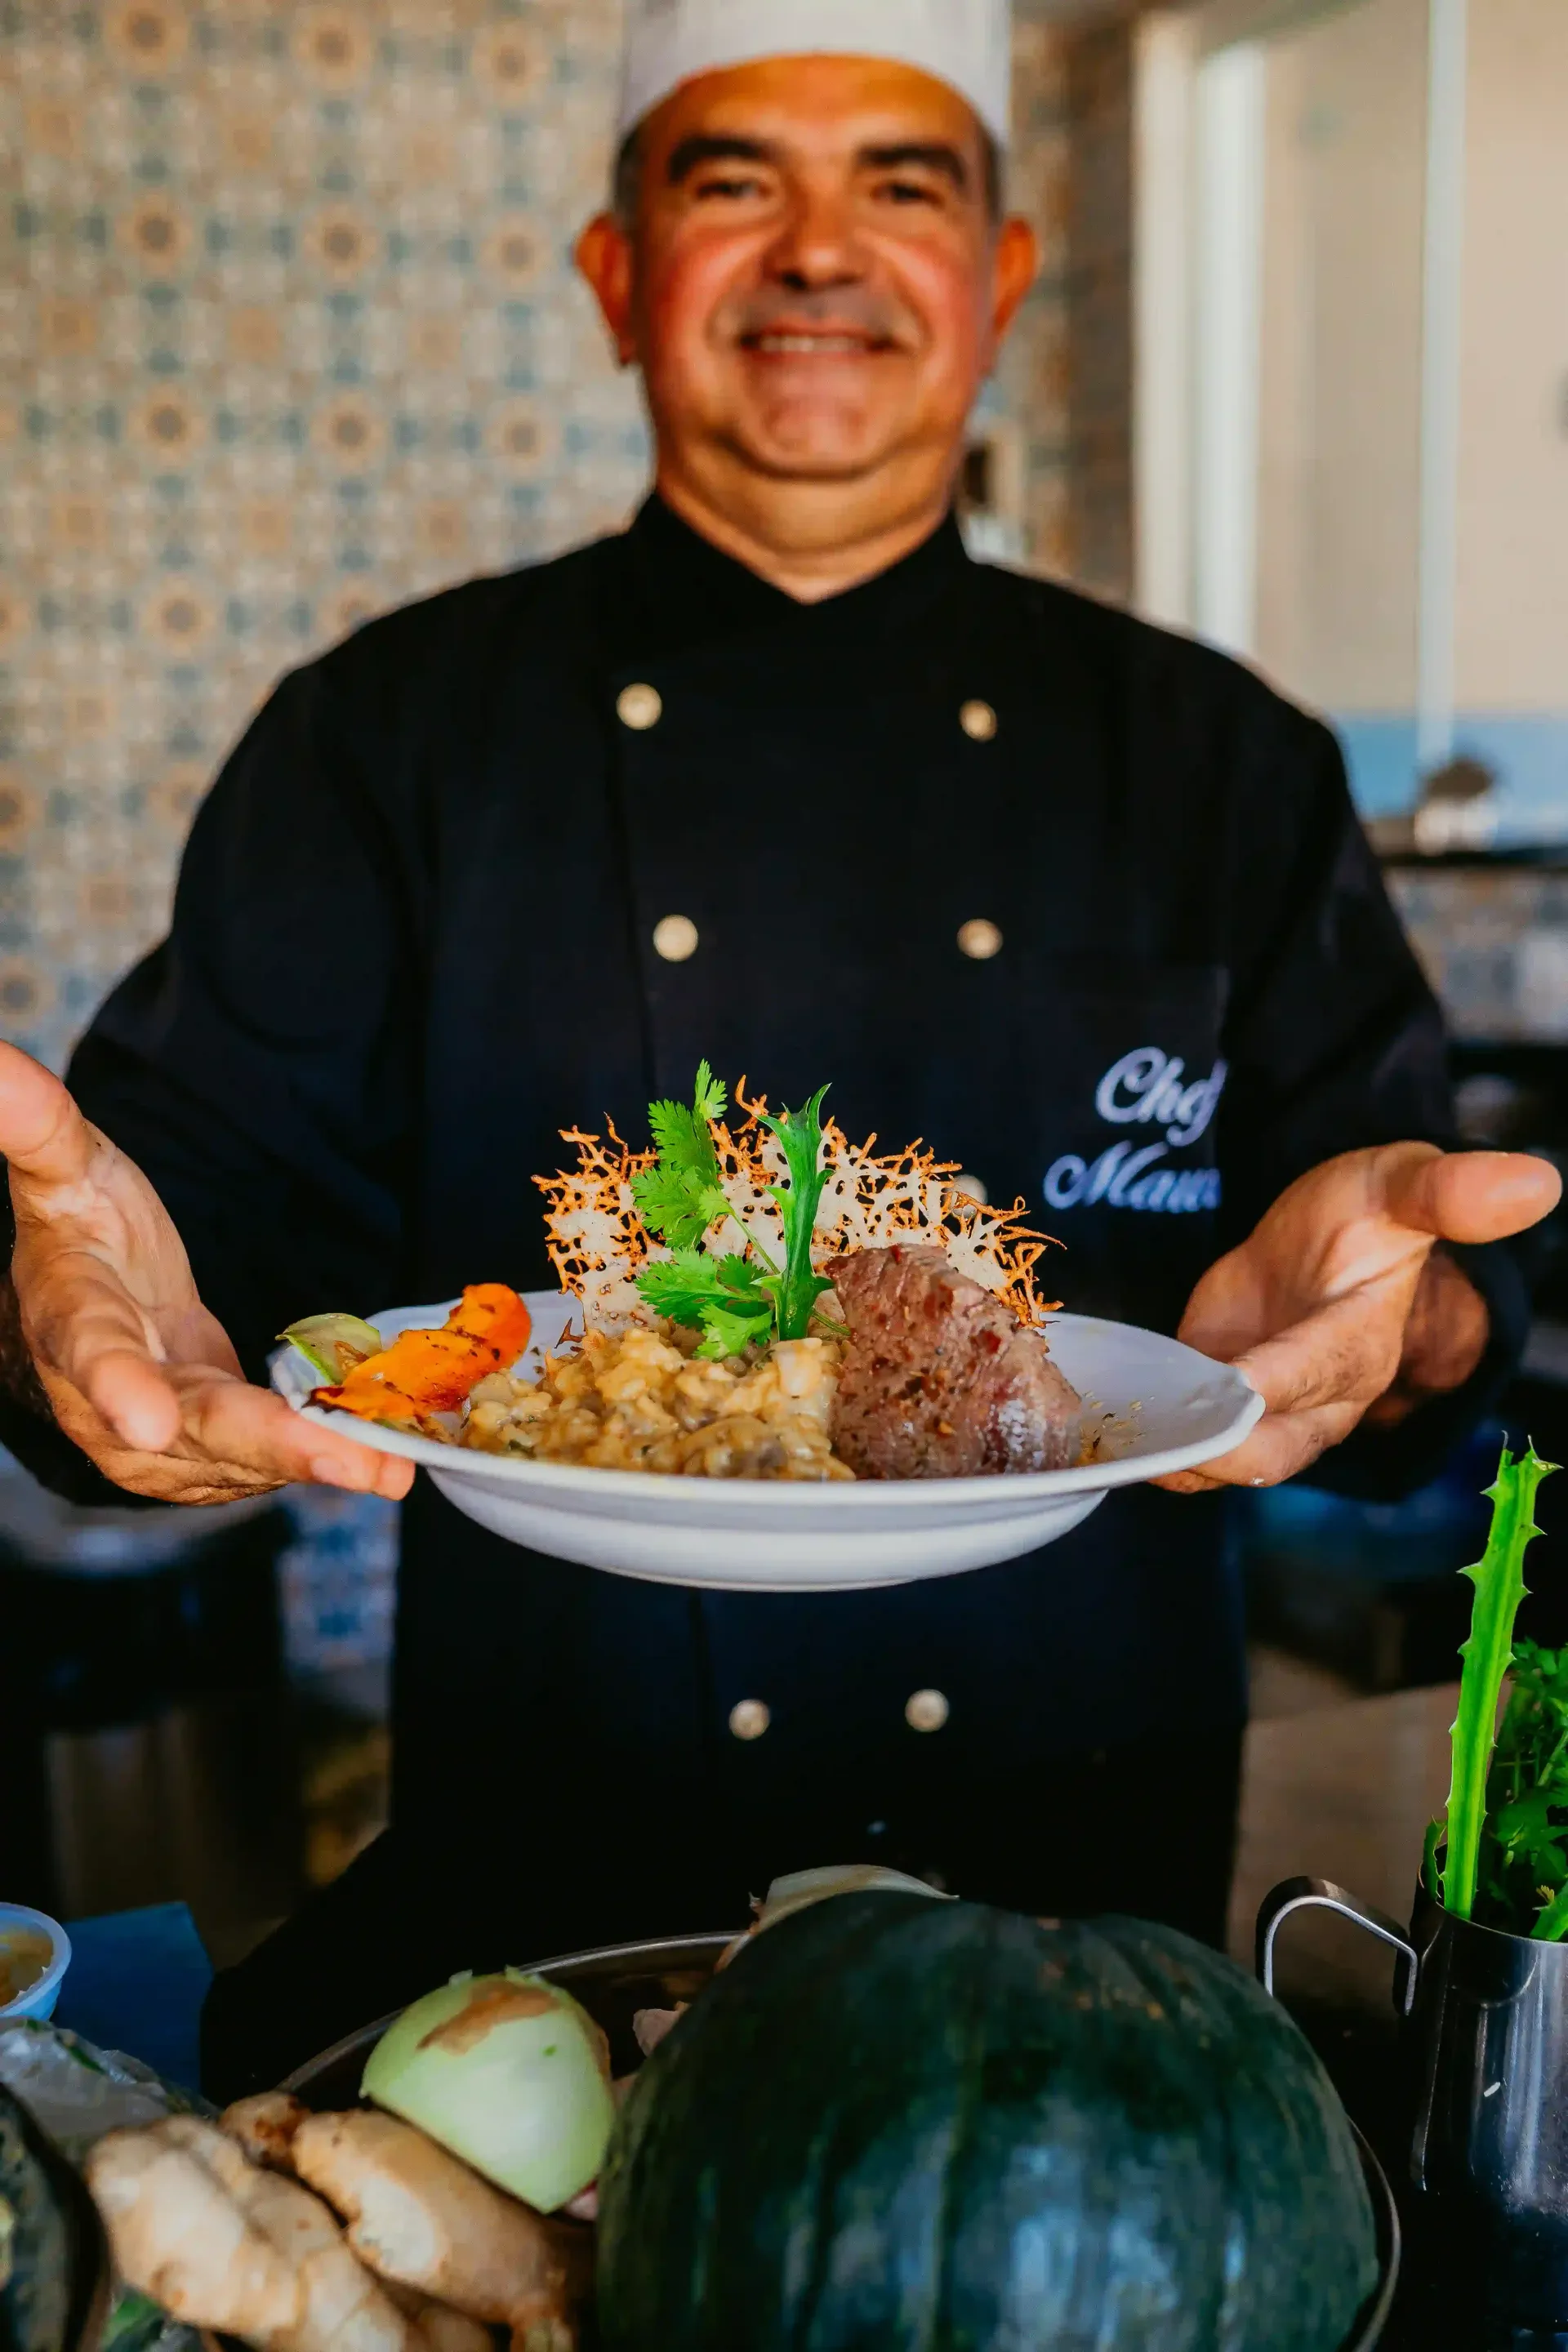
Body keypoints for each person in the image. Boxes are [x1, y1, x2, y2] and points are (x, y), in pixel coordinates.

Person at [0, 0, 1557, 2095]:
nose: (820, 250)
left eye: (901, 183)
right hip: (539, 1920)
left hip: (1085, 1917)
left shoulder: (1221, 762)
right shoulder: (392, 740)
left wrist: (1423, 1322)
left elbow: (1416, 1318)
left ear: (998, 279)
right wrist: (58, 1314)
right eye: (735, 179)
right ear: (618, 275)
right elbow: (157, 1243)